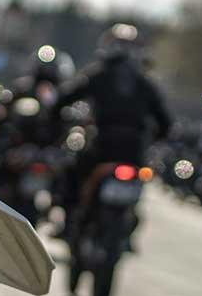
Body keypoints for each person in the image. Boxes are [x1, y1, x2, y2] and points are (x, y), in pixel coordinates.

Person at [55, 23, 172, 225]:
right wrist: (157, 137)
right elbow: (165, 122)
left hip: (103, 144)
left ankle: (70, 220)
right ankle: (122, 222)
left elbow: (65, 98)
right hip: (134, 148)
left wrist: (56, 114)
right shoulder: (145, 83)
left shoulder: (98, 74)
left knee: (73, 171)